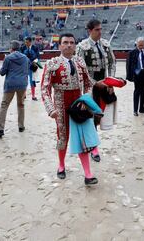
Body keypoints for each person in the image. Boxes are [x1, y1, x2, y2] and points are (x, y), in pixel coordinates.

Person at [41, 33, 106, 185]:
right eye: (65, 42)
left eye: (71, 42)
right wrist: (51, 109)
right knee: (63, 136)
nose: (69, 45)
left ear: (75, 45)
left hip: (78, 103)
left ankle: (88, 174)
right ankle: (61, 165)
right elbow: (45, 89)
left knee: (82, 136)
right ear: (59, 46)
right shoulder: (52, 63)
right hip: (60, 104)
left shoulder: (80, 61)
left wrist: (86, 100)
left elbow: (89, 83)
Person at [76, 19, 116, 162]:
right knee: (90, 117)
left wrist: (110, 82)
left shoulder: (105, 44)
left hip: (104, 85)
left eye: (100, 29)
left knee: (99, 116)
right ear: (90, 31)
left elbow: (112, 63)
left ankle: (92, 144)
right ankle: (93, 147)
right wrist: (94, 83)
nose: (100, 32)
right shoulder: (82, 47)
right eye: (97, 30)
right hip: (89, 87)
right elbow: (80, 69)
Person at [0, 41, 29, 138]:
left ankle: (0, 129)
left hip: (10, 84)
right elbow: (27, 70)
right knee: (21, 105)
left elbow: (2, 72)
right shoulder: (25, 58)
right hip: (22, 84)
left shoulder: (8, 58)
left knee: (4, 105)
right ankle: (21, 126)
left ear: (11, 48)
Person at [126, 37, 144, 116]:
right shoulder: (132, 53)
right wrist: (130, 75)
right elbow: (128, 65)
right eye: (140, 45)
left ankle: (141, 108)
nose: (141, 47)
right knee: (137, 91)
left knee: (143, 91)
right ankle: (135, 110)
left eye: (142, 45)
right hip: (137, 74)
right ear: (136, 44)